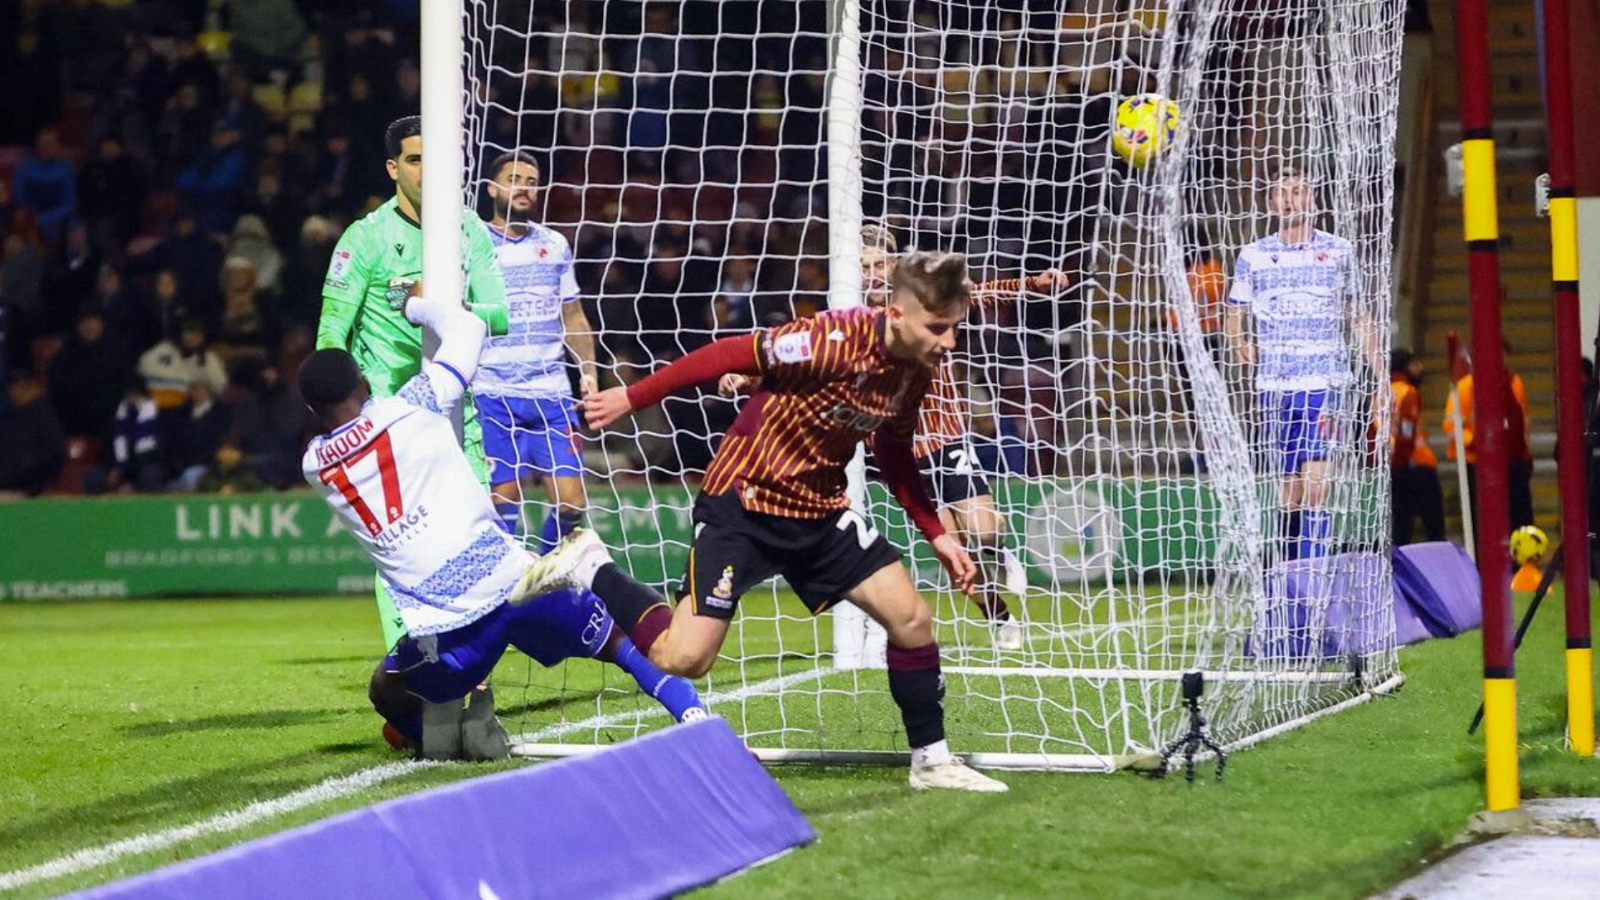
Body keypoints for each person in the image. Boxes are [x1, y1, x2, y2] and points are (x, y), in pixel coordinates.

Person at [582, 250, 1009, 792]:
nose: (949, 342)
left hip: (819, 512)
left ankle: (931, 760)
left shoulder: (916, 370)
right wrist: (633, 396)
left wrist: (940, 536)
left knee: (912, 620)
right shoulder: (831, 338)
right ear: (899, 315)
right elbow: (728, 352)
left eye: (954, 328)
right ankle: (593, 566)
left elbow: (894, 453)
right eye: (939, 328)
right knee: (683, 658)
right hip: (745, 502)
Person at [300, 291, 703, 760]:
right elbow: (469, 329)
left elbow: (349, 436)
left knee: (385, 689)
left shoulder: (315, 466)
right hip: (513, 584)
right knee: (618, 639)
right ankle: (694, 717)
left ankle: (442, 739)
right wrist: (415, 307)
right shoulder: (414, 407)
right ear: (364, 385)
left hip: (451, 633)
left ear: (312, 412)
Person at [720, 224, 1067, 650]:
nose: (873, 273)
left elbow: (979, 294)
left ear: (896, 264)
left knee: (984, 529)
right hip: (893, 449)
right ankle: (998, 617)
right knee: (953, 547)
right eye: (863, 266)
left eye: (880, 263)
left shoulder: (920, 302)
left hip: (944, 434)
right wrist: (746, 376)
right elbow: (798, 357)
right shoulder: (845, 320)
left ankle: (996, 553)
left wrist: (1032, 284)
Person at [316, 114, 509, 655]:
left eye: (437, 159)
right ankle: (411, 669)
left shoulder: (469, 228)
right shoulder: (367, 237)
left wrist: (443, 310)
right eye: (416, 159)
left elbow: (500, 315)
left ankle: (475, 673)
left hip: (454, 410)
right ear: (393, 168)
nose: (428, 171)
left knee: (479, 537)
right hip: (389, 419)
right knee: (402, 548)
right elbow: (332, 329)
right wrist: (340, 414)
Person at [1225, 165, 1381, 561]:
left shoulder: (1339, 253)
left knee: (1317, 486)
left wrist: (1381, 378)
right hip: (1276, 387)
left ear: (1314, 200)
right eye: (1284, 192)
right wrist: (1240, 341)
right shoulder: (1254, 256)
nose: (1292, 198)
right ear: (1273, 203)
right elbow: (1234, 313)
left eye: (1300, 190)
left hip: (1324, 384)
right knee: (1290, 491)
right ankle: (1287, 569)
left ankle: (1315, 571)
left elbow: (1358, 316)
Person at [473, 150, 598, 552]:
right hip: (493, 391)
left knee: (572, 501)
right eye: (514, 178)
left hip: (551, 392)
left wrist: (590, 374)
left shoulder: (554, 244)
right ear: (492, 188)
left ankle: (541, 574)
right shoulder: (472, 245)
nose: (524, 187)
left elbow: (574, 316)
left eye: (531, 180)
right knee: (501, 500)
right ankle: (502, 587)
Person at [1442, 346, 1534, 532]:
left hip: (1512, 460)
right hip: (1478, 461)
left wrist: (1525, 451)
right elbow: (1452, 425)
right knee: (1484, 520)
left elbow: (1522, 420)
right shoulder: (1466, 387)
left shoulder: (1515, 383)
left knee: (1519, 516)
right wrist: (1476, 444)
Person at [1389, 349, 1445, 544]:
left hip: (1393, 464)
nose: (1420, 368)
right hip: (1415, 465)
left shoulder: (1384, 391)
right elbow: (1407, 431)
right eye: (1415, 364)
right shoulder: (1408, 392)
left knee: (1402, 525)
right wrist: (1403, 462)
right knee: (1434, 525)